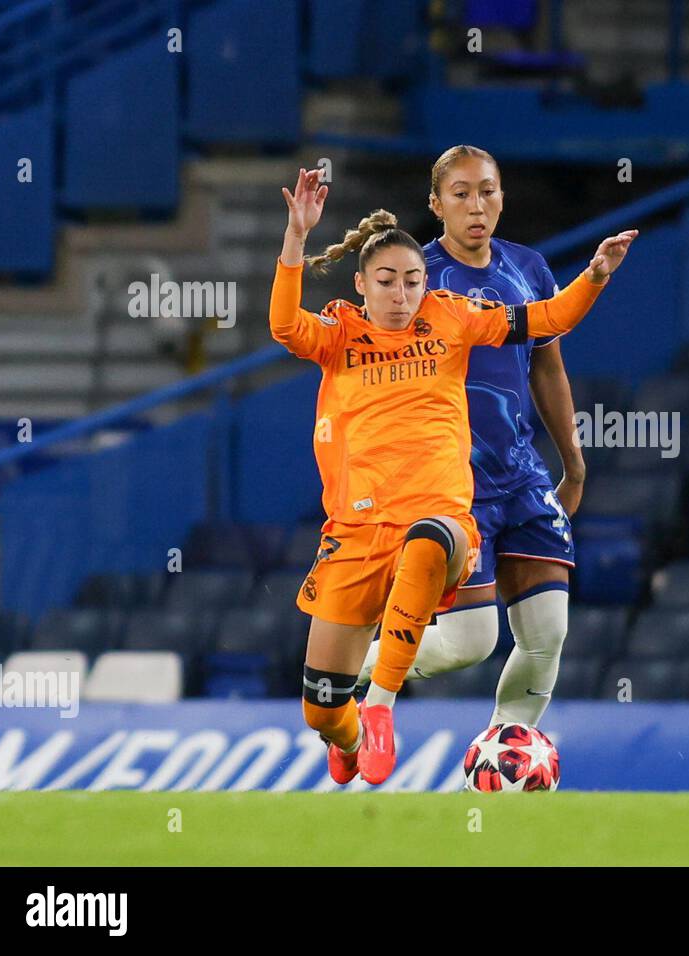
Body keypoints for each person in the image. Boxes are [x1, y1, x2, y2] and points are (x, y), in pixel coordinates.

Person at [272, 166, 636, 785]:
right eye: (387, 281)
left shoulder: (467, 305)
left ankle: (459, 732)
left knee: (506, 598)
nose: (403, 292)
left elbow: (544, 331)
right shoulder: (355, 324)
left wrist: (594, 277)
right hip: (369, 520)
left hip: (471, 498)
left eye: (412, 281)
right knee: (355, 694)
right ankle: (348, 708)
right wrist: (295, 241)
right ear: (362, 285)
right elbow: (284, 326)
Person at [355, 145, 583, 732]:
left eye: (487, 190)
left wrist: (573, 462)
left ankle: (504, 758)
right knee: (469, 643)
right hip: (453, 488)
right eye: (460, 193)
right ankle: (347, 670)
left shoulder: (529, 269)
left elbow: (547, 366)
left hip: (523, 474)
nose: (476, 205)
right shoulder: (417, 281)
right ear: (436, 204)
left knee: (547, 633)